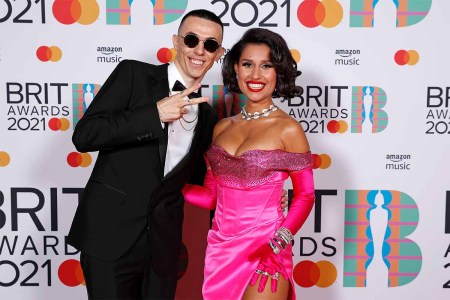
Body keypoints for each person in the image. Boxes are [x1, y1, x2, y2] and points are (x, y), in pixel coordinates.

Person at [67, 9, 223, 299]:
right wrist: (154, 114)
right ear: (176, 42)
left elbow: (202, 183)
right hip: (109, 237)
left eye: (210, 45)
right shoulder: (134, 75)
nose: (200, 50)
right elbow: (86, 135)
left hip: (162, 249)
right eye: (192, 40)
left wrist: (262, 192)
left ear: (218, 53)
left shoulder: (210, 117)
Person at [182, 28, 315, 299]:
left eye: (266, 66)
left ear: (278, 72)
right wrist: (168, 186)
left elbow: (305, 195)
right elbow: (210, 197)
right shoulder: (221, 128)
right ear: (235, 69)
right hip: (221, 251)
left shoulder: (288, 129)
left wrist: (277, 244)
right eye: (248, 65)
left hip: (266, 249)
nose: (255, 75)